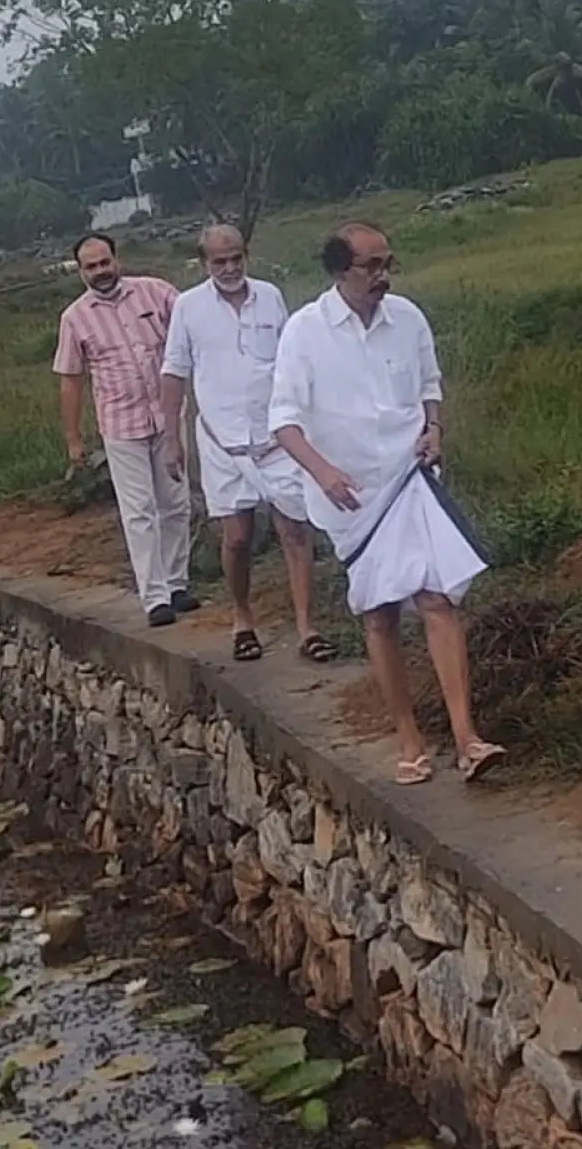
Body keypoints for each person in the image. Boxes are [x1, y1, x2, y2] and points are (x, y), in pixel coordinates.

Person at [269, 222, 506, 787]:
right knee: (379, 612)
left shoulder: (409, 318)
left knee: (436, 597)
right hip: (351, 495)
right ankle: (408, 737)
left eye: (386, 264)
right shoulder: (305, 330)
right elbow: (283, 421)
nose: (382, 277)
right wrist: (322, 472)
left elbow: (430, 386)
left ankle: (467, 738)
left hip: (410, 476)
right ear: (339, 270)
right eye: (369, 267)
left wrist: (435, 429)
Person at [158, 224, 331, 664]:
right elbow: (174, 372)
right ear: (204, 263)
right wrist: (172, 440)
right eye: (220, 261)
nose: (231, 268)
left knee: (294, 528)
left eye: (237, 258)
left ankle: (307, 627)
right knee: (236, 537)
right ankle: (242, 617)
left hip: (276, 437)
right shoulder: (188, 307)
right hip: (222, 442)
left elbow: (294, 360)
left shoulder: (270, 296)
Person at [55, 233, 197, 627]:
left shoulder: (156, 292)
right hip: (122, 425)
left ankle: (177, 583)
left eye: (105, 263)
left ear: (116, 260)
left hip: (167, 416)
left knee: (176, 501)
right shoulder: (75, 318)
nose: (100, 272)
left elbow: (192, 329)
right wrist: (73, 440)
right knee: (139, 512)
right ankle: (155, 599)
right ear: (80, 272)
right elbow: (70, 379)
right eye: (91, 267)